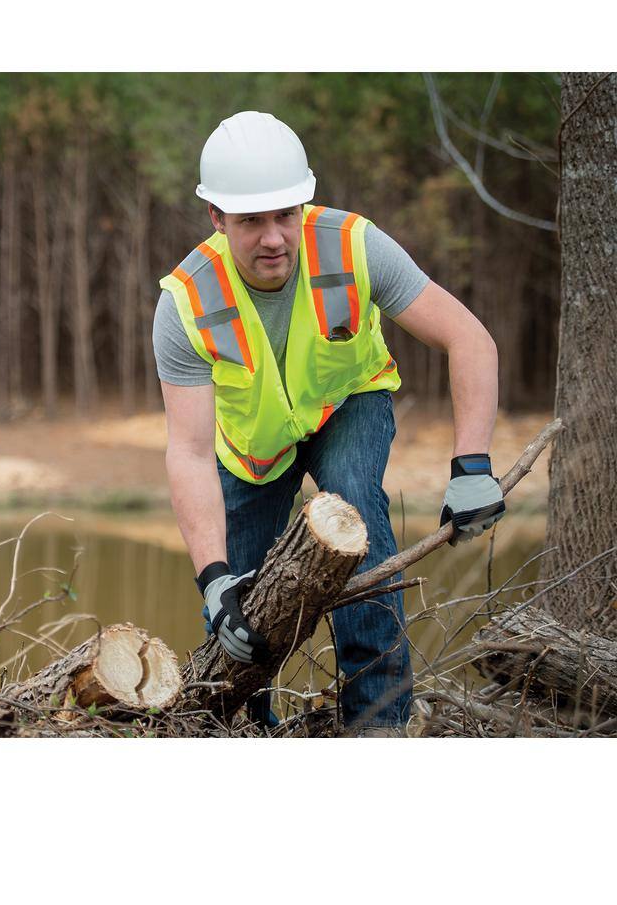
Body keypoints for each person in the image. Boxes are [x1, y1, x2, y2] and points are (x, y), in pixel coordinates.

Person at [152, 111, 505, 735]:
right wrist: (212, 576)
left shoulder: (353, 244)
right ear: (215, 217)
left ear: (303, 203)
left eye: (285, 215)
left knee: (350, 496)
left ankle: (377, 719)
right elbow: (186, 451)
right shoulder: (185, 302)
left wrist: (473, 463)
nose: (273, 238)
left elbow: (468, 338)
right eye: (250, 221)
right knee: (240, 605)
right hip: (252, 451)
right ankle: (245, 726)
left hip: (350, 402)